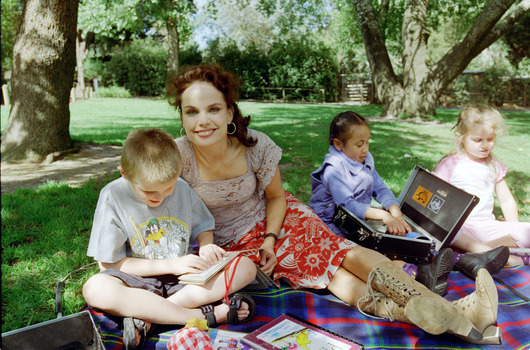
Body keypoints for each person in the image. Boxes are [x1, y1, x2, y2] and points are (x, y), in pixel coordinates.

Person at [166, 64, 501, 344]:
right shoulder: (177, 156)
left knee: (342, 253)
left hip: (277, 221)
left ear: (229, 112)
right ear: (181, 116)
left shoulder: (255, 147)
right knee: (333, 277)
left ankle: (443, 309)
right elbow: (151, 200)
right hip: (235, 249)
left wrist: (270, 237)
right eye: (191, 111)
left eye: (213, 109)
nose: (202, 121)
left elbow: (276, 198)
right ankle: (440, 315)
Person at [82, 128, 257, 350]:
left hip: (184, 282)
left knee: (246, 267)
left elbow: (202, 225)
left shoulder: (182, 189)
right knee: (95, 288)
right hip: (138, 282)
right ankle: (201, 317)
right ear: (124, 173)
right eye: (149, 192)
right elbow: (109, 264)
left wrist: (205, 245)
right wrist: (170, 264)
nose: (161, 197)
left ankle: (149, 318)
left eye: (169, 188)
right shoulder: (112, 196)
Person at [308, 111, 507, 289]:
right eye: (359, 144)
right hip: (331, 223)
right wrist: (385, 216)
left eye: (368, 142)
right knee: (370, 249)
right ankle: (416, 274)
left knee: (407, 231)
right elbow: (347, 205)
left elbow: (380, 188)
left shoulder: (363, 159)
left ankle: (465, 260)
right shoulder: (333, 170)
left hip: (359, 217)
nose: (365, 149)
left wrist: (395, 211)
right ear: (338, 145)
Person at [434, 106, 530, 266]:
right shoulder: (451, 164)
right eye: (478, 140)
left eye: (490, 139)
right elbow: (434, 195)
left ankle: (480, 254)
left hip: (485, 227)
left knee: (527, 230)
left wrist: (513, 228)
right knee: (448, 230)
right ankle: (496, 255)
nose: (485, 145)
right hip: (460, 227)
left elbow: (506, 201)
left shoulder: (493, 165)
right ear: (461, 137)